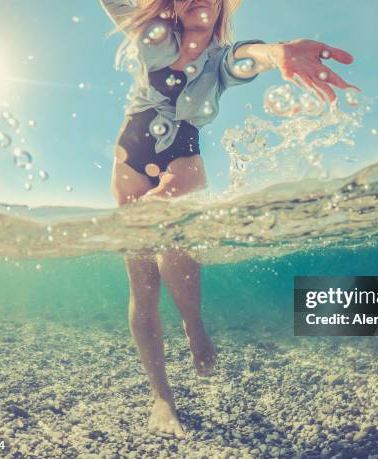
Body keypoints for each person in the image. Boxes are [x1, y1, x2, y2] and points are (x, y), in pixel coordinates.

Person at [100, 0, 357, 438]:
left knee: (175, 254)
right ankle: (162, 397)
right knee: (141, 281)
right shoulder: (151, 33)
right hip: (132, 155)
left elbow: (253, 56)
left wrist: (278, 54)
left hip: (182, 158)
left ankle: (193, 324)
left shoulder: (222, 62)